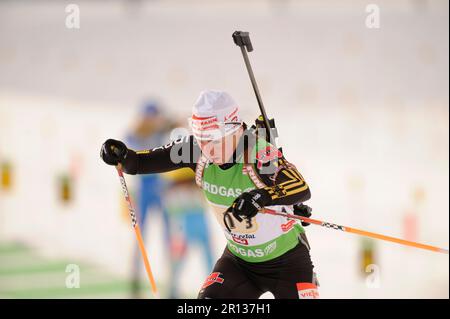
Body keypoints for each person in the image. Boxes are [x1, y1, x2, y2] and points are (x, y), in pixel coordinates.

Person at [101, 90, 319, 299]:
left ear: (236, 129)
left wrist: (261, 196)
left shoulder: (259, 153)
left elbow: (300, 188)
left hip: (289, 263)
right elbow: (139, 162)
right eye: (201, 138)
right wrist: (122, 155)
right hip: (240, 263)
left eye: (214, 139)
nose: (208, 148)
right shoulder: (195, 151)